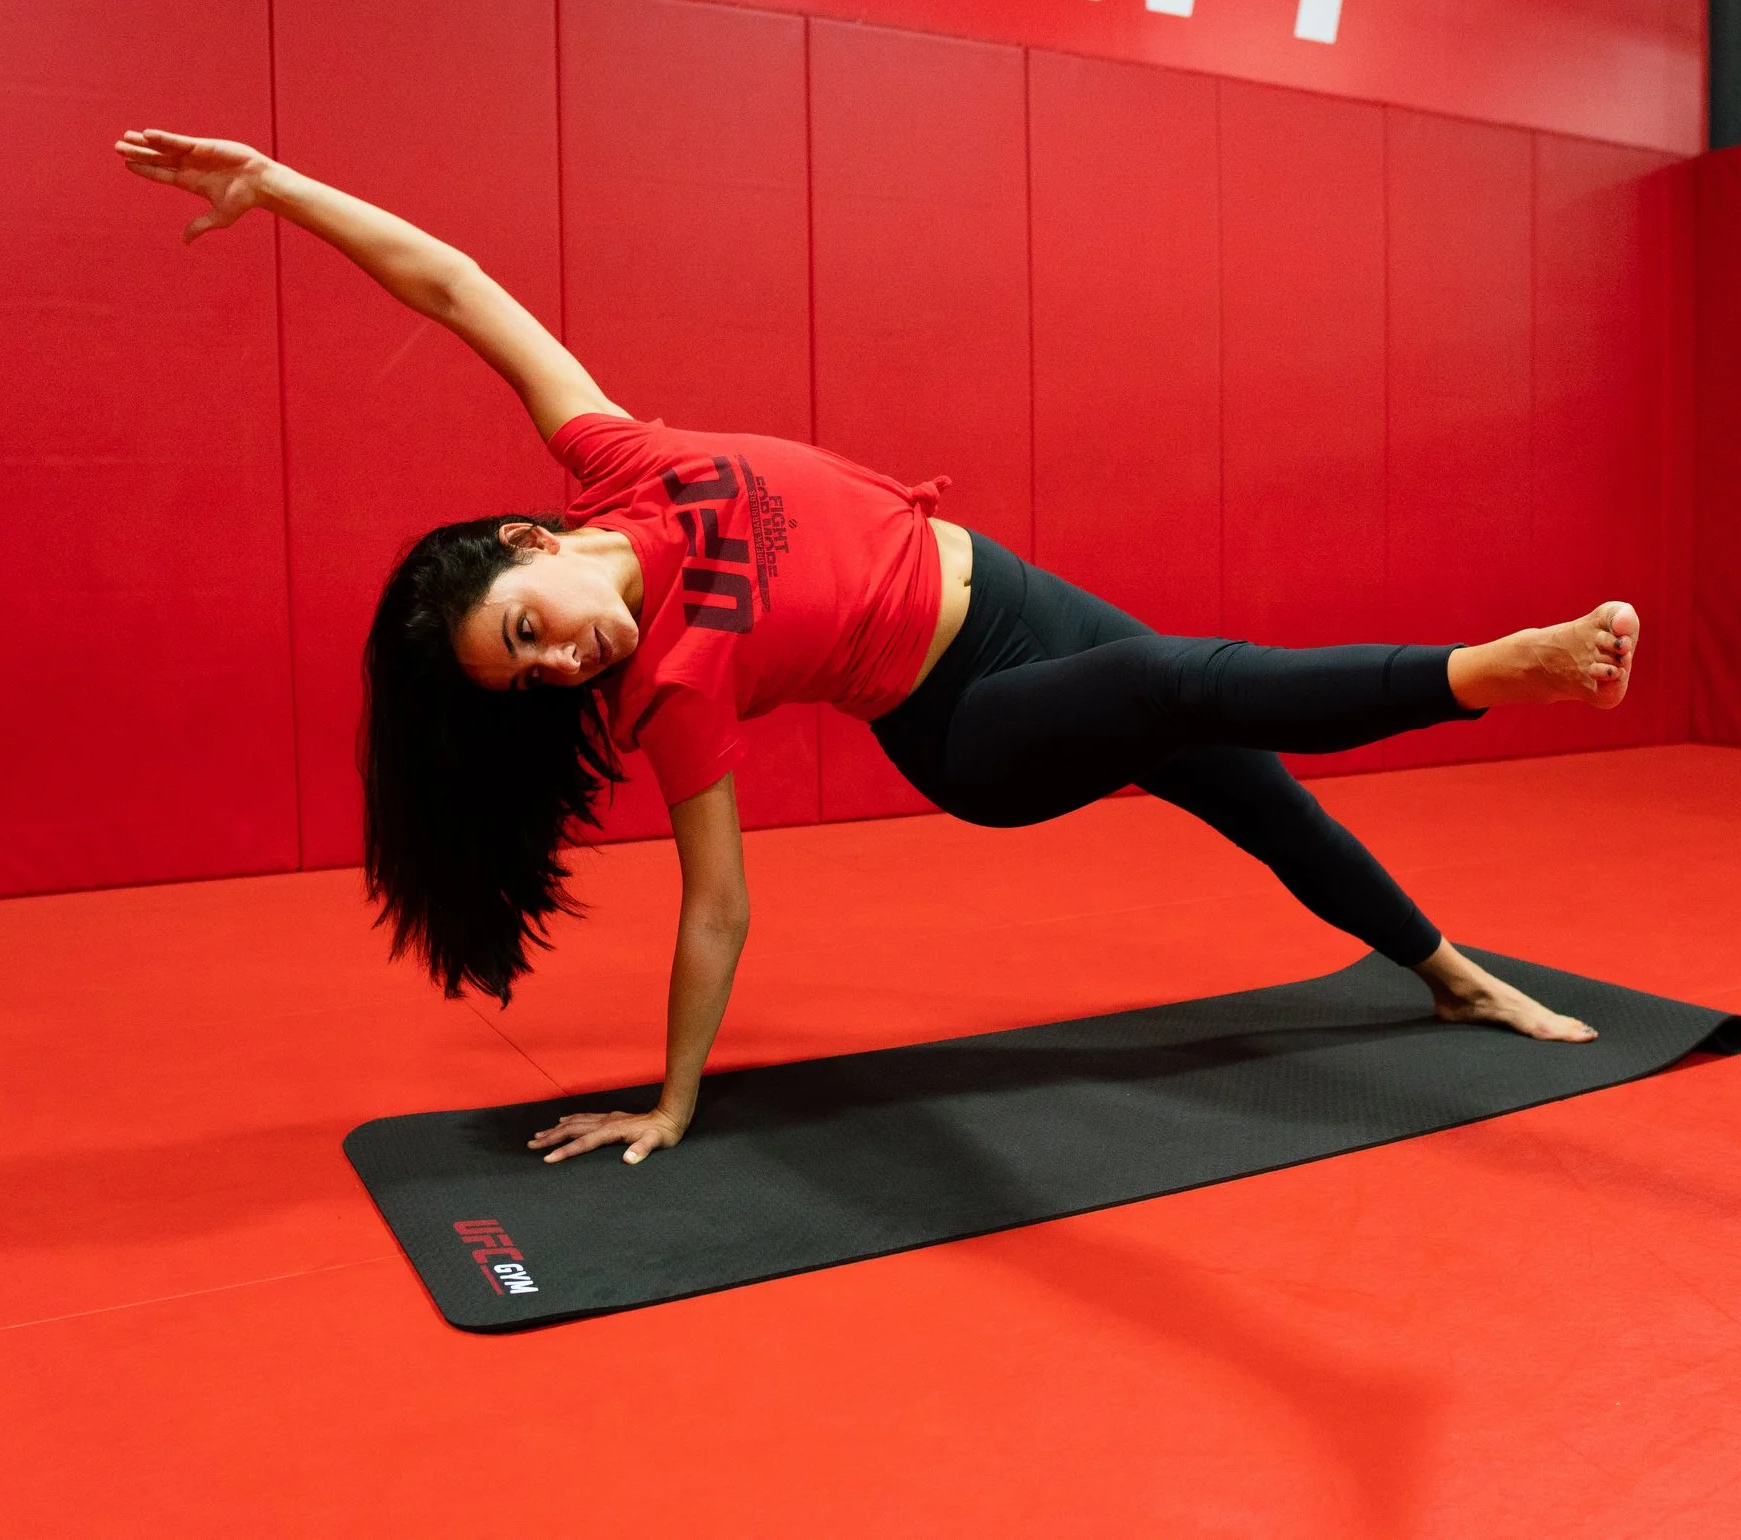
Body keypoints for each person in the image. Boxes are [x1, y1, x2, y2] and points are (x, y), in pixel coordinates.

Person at [116, 128, 1640, 1169]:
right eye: (532, 680)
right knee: (1181, 682)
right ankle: (1486, 672)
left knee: (1251, 787)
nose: (561, 664)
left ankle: (1448, 973)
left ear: (533, 544)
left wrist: (281, 186)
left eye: (531, 631)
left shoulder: (615, 454)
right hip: (970, 729)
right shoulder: (674, 692)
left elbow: (452, 288)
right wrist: (672, 1100)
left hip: (1014, 595)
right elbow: (719, 907)